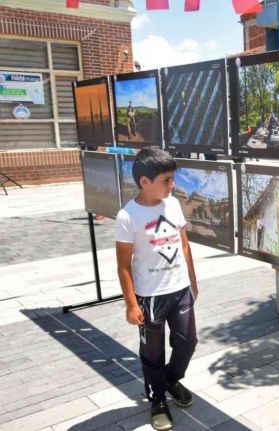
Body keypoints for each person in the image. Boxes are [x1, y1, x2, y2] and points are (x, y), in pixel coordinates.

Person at [115, 148, 199, 431]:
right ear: (144, 182)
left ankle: (171, 379)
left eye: (172, 179)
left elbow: (184, 244)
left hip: (180, 289)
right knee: (152, 353)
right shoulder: (127, 216)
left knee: (187, 342)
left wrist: (193, 282)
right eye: (166, 180)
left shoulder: (172, 204)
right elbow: (124, 266)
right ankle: (157, 399)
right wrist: (131, 304)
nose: (171, 185)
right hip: (149, 296)